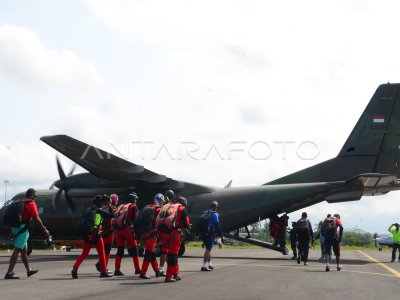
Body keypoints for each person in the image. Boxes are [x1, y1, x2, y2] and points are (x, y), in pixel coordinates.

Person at [4, 188, 51, 279]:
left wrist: (10, 231)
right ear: (31, 195)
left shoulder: (20, 202)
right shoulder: (31, 203)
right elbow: (37, 219)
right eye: (35, 196)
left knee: (24, 250)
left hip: (15, 228)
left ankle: (29, 270)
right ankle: (9, 273)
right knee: (17, 250)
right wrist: (44, 229)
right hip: (22, 229)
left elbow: (15, 217)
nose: (36, 198)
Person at [71, 195, 114, 279]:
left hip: (87, 235)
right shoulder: (99, 211)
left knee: (84, 253)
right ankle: (103, 272)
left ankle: (75, 269)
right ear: (101, 203)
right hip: (96, 235)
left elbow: (94, 222)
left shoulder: (88, 210)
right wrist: (109, 204)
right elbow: (112, 215)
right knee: (102, 253)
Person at [158, 196, 190, 282]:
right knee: (173, 255)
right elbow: (187, 222)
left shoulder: (167, 206)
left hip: (163, 233)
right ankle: (168, 276)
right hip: (174, 233)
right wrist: (187, 226)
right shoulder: (181, 208)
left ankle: (175, 274)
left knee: (170, 254)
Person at [114, 193, 141, 276]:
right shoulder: (133, 207)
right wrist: (138, 234)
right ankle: (137, 269)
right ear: (133, 199)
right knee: (134, 250)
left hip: (119, 230)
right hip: (128, 230)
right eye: (135, 199)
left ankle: (117, 269)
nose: (136, 201)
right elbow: (136, 221)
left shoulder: (121, 206)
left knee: (120, 250)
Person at [139, 193, 164, 279]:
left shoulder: (147, 207)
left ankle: (157, 271)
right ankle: (143, 272)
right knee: (149, 253)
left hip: (144, 233)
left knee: (152, 252)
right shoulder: (158, 209)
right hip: (152, 234)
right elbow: (161, 222)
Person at [95, 194, 118, 273]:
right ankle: (103, 267)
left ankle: (101, 265)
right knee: (107, 250)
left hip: (101, 231)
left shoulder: (101, 208)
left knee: (103, 250)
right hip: (109, 231)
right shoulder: (113, 209)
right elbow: (114, 216)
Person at [199, 201, 224, 271]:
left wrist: (197, 233)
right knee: (208, 250)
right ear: (216, 208)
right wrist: (221, 236)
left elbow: (199, 222)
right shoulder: (214, 214)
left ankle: (209, 264)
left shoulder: (205, 212)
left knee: (208, 248)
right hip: (210, 233)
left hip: (203, 233)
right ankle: (204, 266)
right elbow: (218, 225)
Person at [158, 190, 175, 276]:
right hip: (169, 231)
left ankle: (161, 268)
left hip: (161, 230)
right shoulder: (172, 205)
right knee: (169, 251)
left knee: (164, 250)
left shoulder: (163, 205)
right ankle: (171, 270)